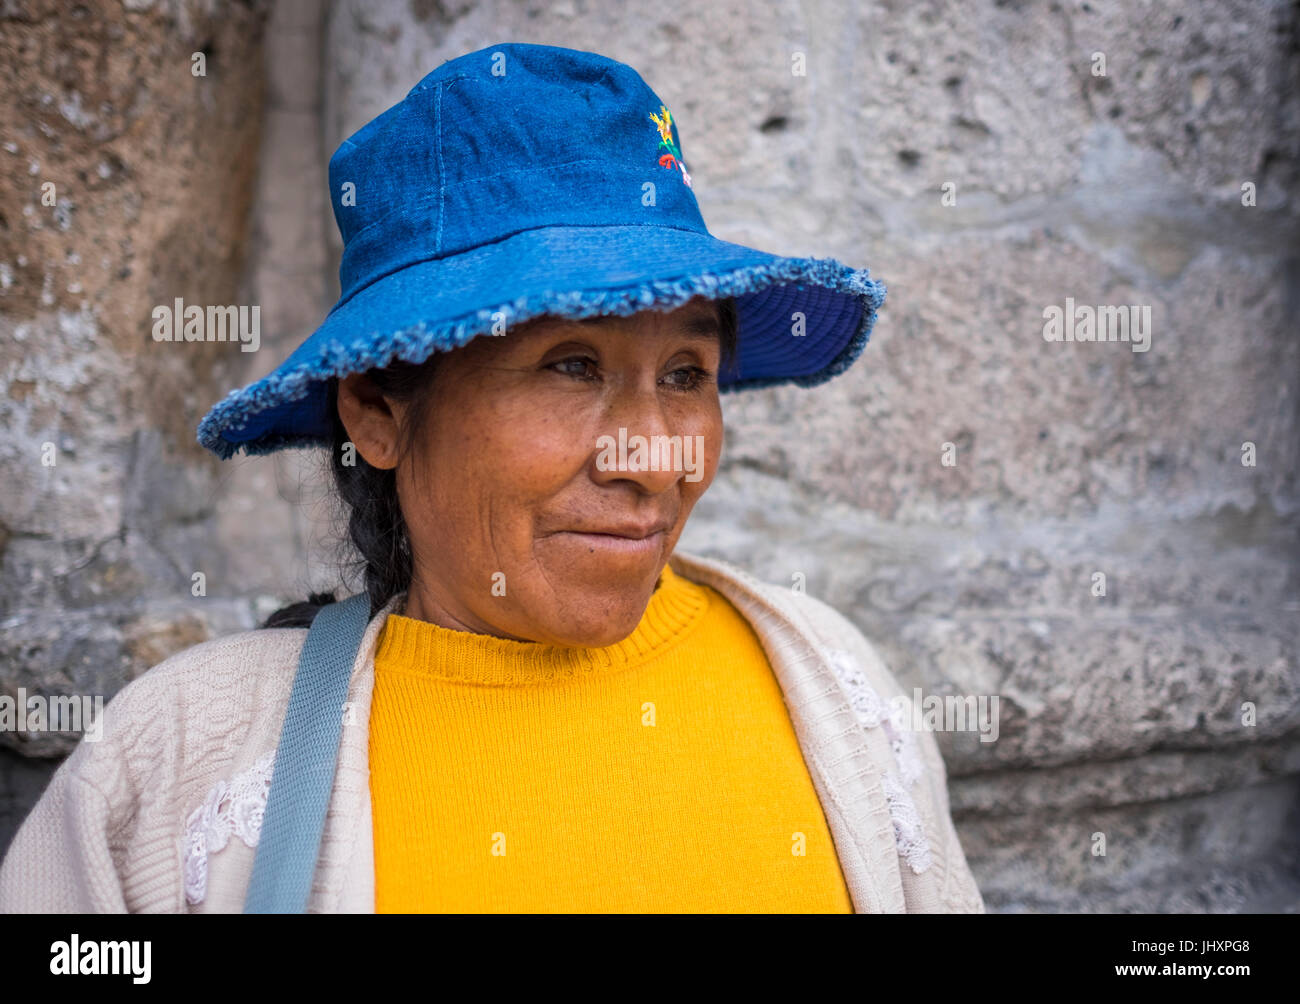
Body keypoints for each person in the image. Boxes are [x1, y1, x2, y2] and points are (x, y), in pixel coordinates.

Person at [0, 42, 983, 913]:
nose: (654, 459)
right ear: (377, 410)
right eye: (571, 366)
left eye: (686, 374)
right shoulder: (182, 758)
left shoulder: (831, 687)